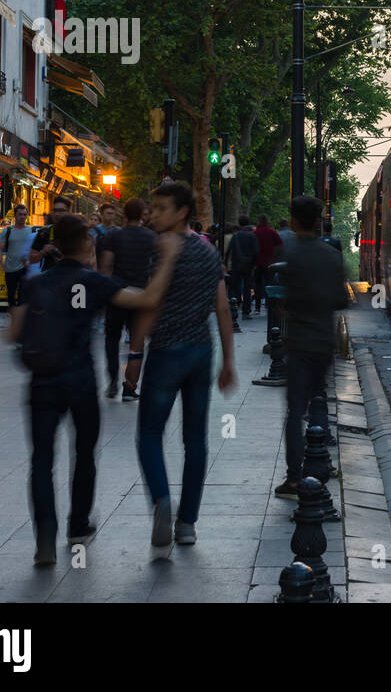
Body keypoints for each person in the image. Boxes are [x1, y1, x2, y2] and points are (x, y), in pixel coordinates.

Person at [8, 213, 183, 565]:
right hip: (80, 381)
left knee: (41, 461)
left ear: (56, 243)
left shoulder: (35, 283)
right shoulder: (92, 282)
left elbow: (12, 333)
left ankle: (45, 537)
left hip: (42, 381)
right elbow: (146, 299)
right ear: (87, 245)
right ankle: (77, 526)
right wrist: (168, 260)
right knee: (83, 455)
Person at [129, 181, 237, 549]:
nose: (153, 214)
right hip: (201, 354)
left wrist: (134, 354)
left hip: (166, 353)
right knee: (196, 440)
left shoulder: (163, 249)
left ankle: (161, 499)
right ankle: (187, 522)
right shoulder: (209, 253)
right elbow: (222, 308)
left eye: (161, 208)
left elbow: (151, 303)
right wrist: (229, 362)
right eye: (153, 207)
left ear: (182, 213)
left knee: (148, 434)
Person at [273, 196, 349, 500]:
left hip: (300, 341)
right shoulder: (332, 255)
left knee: (295, 410)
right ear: (318, 220)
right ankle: (319, 468)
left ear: (293, 220)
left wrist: (288, 310)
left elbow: (282, 297)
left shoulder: (289, 252)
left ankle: (294, 477)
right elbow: (342, 301)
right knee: (319, 401)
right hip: (323, 341)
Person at [97, 198, 156, 401]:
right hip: (140, 295)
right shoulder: (151, 237)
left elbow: (105, 267)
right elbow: (153, 271)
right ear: (142, 215)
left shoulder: (113, 236)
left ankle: (113, 379)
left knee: (112, 339)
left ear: (124, 215)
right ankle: (130, 386)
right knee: (136, 342)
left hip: (117, 294)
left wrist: (104, 294)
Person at [0, 204, 37, 309]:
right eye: (20, 214)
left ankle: (21, 319)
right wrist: (2, 263)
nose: (22, 217)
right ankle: (14, 317)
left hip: (25, 268)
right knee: (10, 297)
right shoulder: (8, 231)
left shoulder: (32, 231)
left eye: (24, 214)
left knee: (23, 297)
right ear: (15, 215)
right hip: (10, 269)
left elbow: (36, 249)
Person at [225, 216, 260, 319]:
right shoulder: (252, 236)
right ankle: (246, 311)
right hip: (248, 265)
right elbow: (256, 252)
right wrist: (254, 264)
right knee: (247, 288)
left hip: (236, 264)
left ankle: (233, 307)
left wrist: (226, 263)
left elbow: (229, 250)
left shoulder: (236, 235)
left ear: (239, 224)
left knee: (233, 287)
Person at [30, 197, 74, 273]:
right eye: (55, 210)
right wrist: (43, 252)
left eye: (61, 210)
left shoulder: (77, 232)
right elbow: (31, 259)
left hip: (70, 279)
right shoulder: (44, 233)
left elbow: (87, 261)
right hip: (48, 279)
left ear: (69, 212)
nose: (57, 214)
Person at [253, 214, 282, 313]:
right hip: (269, 262)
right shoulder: (272, 232)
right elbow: (279, 245)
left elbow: (253, 248)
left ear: (259, 221)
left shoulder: (256, 232)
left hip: (257, 262)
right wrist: (274, 256)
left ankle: (257, 306)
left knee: (257, 284)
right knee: (269, 283)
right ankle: (269, 304)